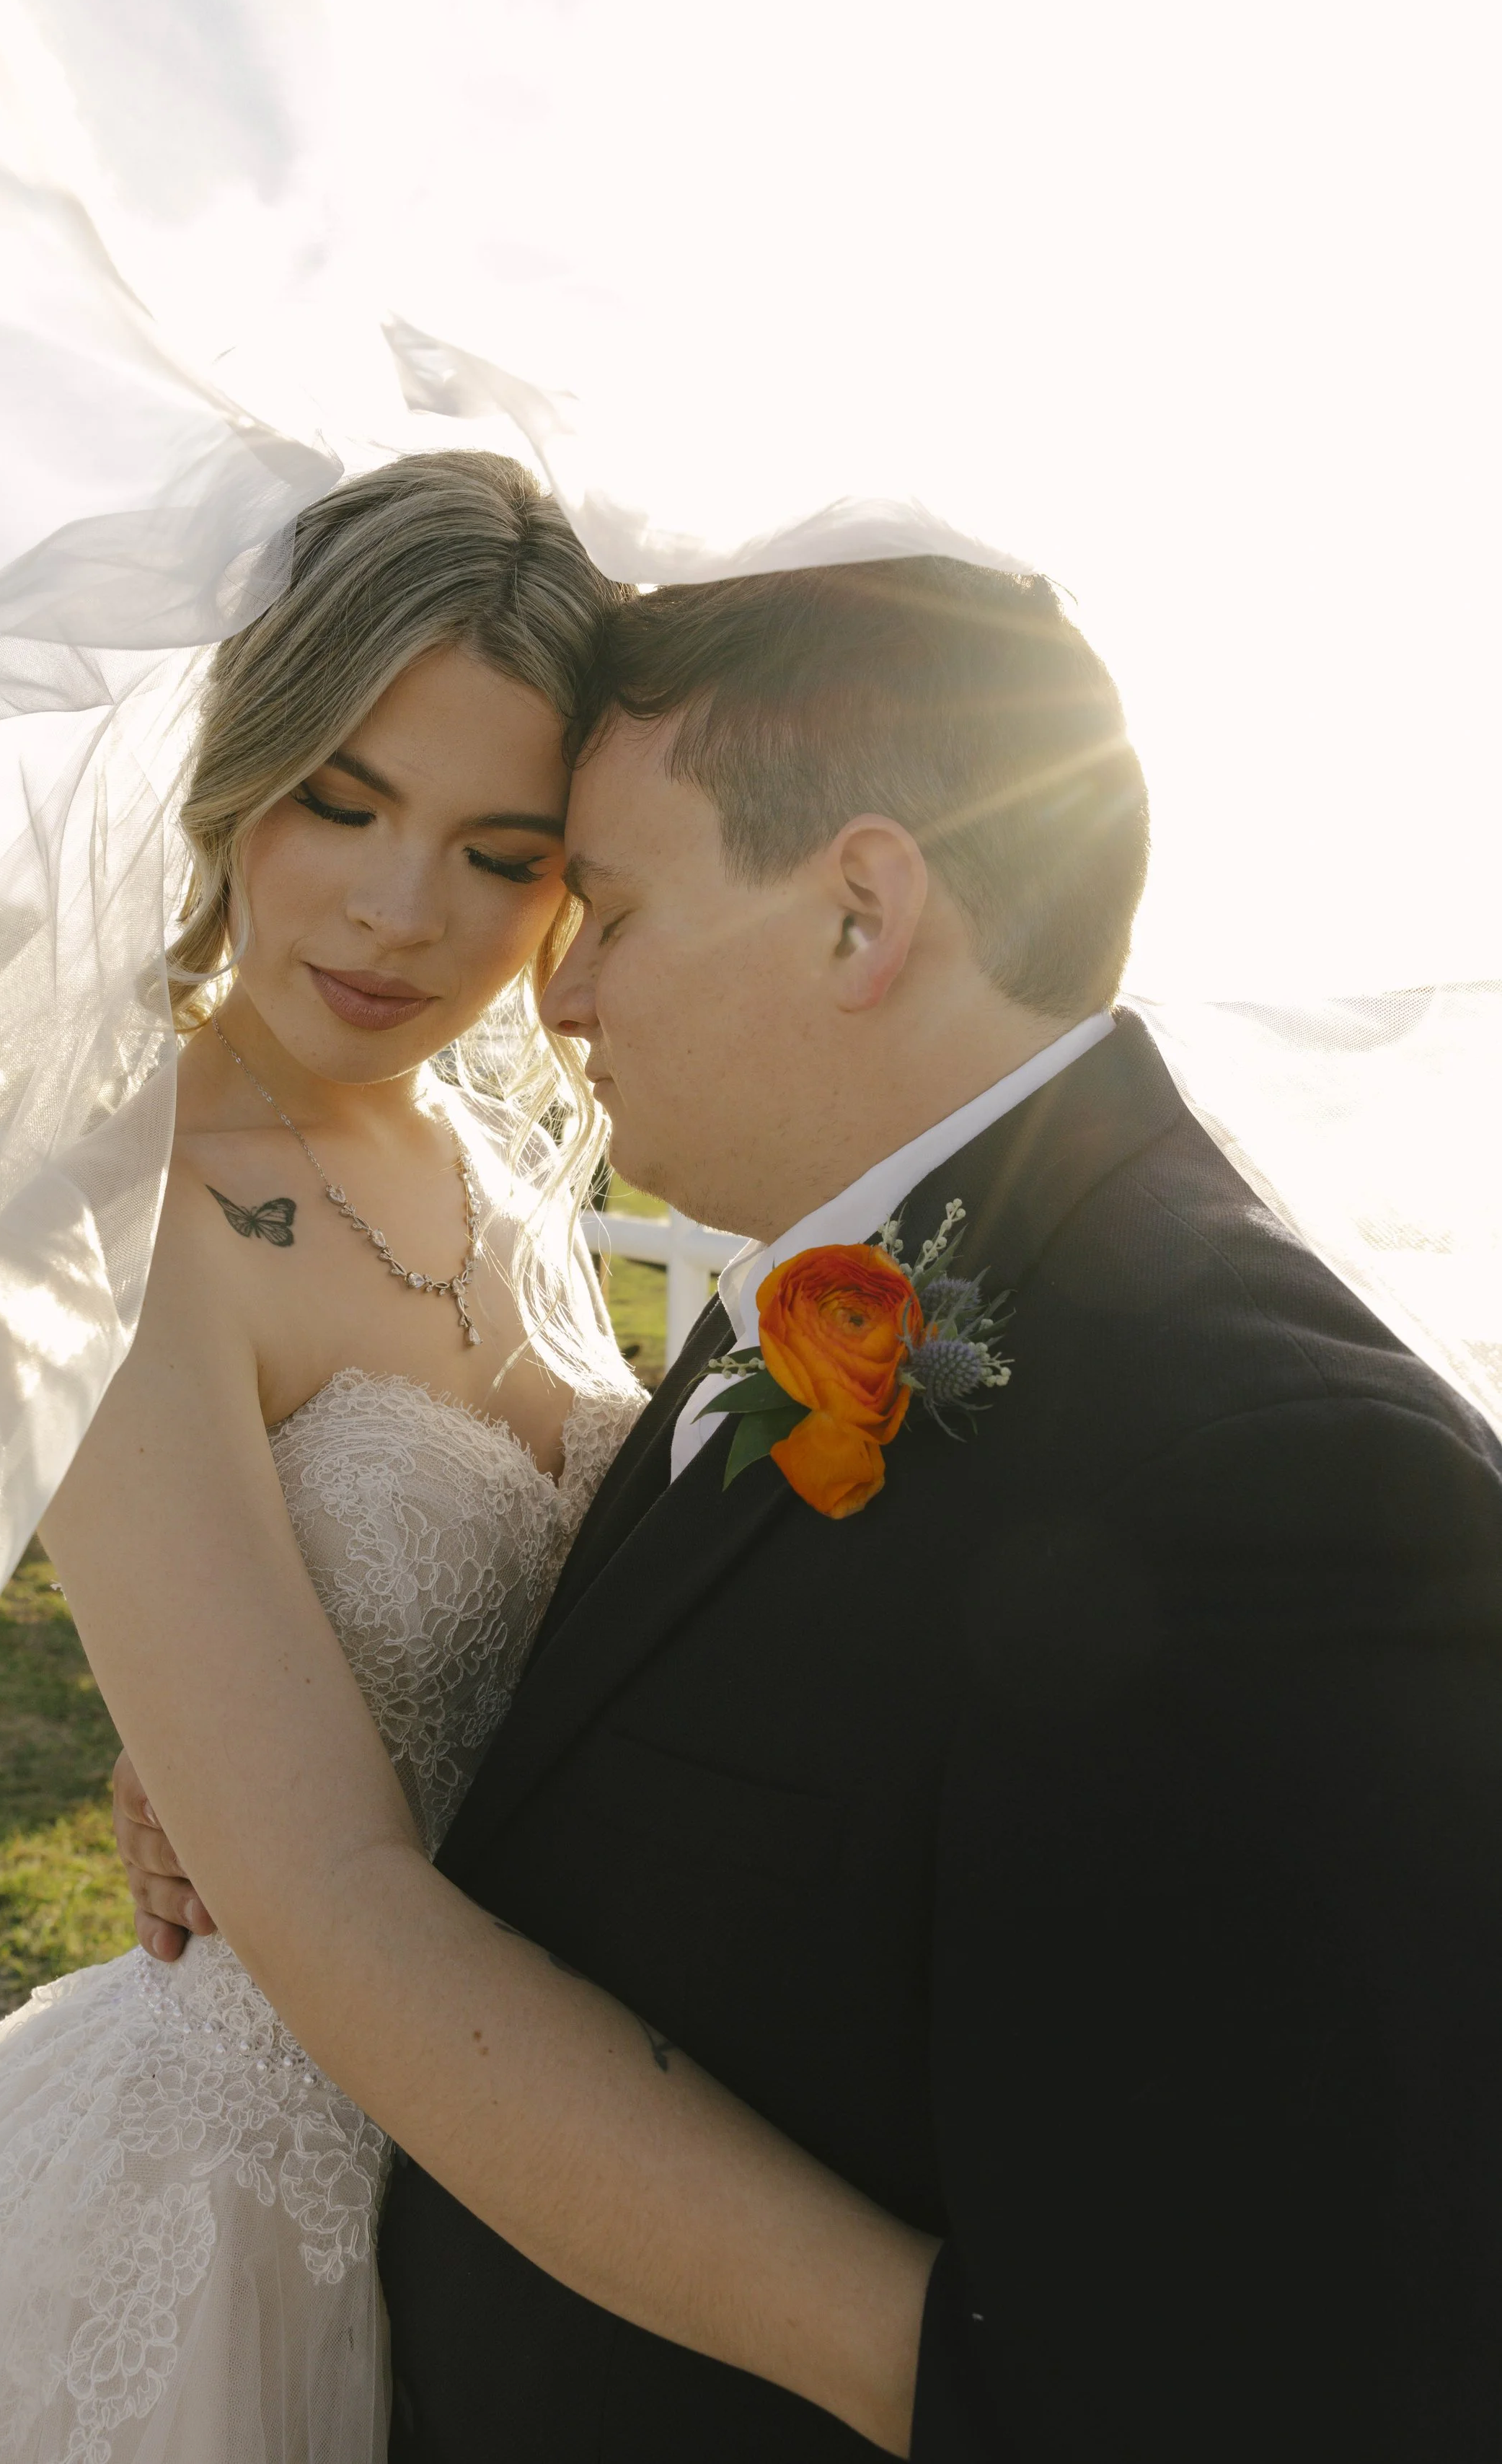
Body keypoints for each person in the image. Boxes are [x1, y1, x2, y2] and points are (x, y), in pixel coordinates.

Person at [102, 555, 1502, 2461]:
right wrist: (255, 1709)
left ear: (859, 909)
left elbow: (1268, 2328)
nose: (558, 985)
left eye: (590, 891)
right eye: (341, 801)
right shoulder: (854, 1251)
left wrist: (935, 2375)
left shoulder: (1278, 1485)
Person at [0, 449, 649, 2464]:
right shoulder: (123, 1209)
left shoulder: (498, 1160)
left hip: (526, 2172)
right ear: (239, 767)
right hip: (240, 2216)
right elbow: (320, 1862)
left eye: (501, 853)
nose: (403, 912)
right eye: (344, 799)